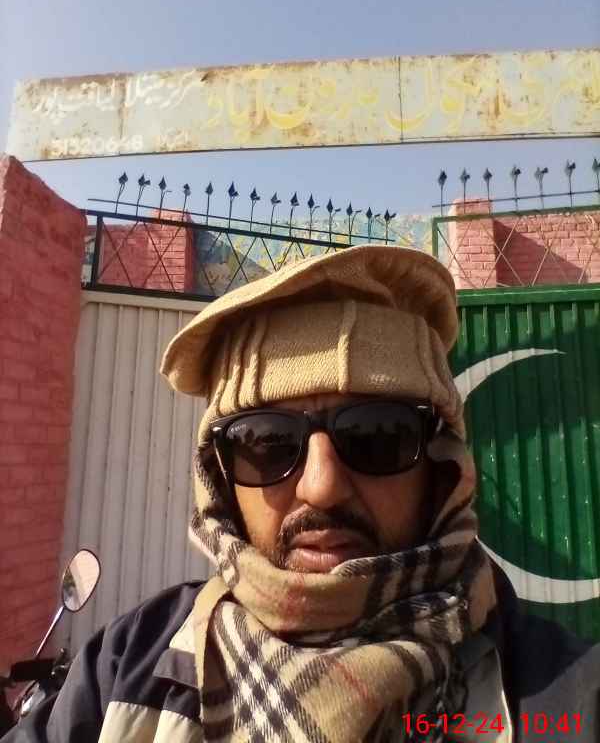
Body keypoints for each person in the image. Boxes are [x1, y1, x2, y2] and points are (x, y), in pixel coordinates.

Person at [4, 245, 600, 742]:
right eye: (266, 442)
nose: (322, 487)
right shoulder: (126, 665)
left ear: (443, 469)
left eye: (377, 435)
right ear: (219, 478)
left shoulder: (563, 697)